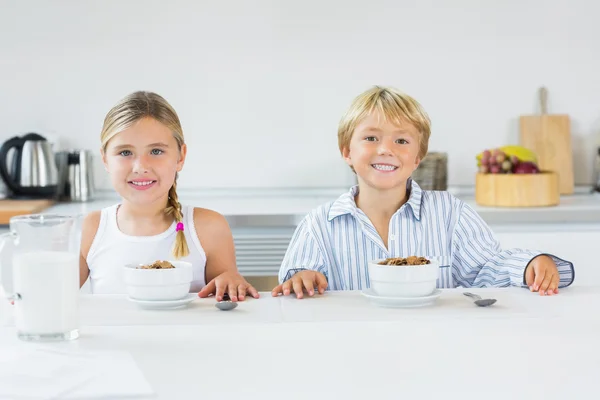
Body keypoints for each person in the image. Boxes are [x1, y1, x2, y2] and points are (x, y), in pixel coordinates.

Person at [272, 85, 574, 298]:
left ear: (418, 157)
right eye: (371, 137)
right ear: (346, 152)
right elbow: (295, 280)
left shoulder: (449, 212)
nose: (386, 150)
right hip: (352, 345)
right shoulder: (319, 224)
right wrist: (302, 280)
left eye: (401, 141)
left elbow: (486, 268)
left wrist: (529, 264)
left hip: (436, 345)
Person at [80, 91, 258, 302]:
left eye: (156, 151)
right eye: (125, 153)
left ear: (180, 156)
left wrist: (231, 283)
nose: (140, 167)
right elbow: (51, 296)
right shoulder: (91, 229)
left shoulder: (208, 228)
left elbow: (225, 298)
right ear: (105, 159)